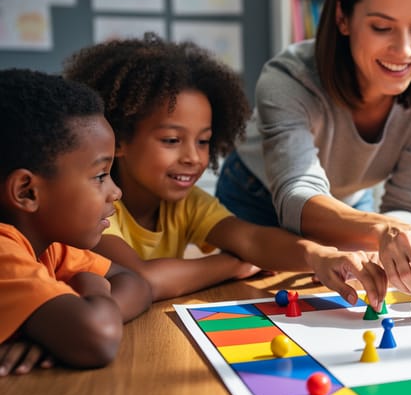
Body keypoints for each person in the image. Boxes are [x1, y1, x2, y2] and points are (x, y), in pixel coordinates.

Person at [215, 0, 411, 310]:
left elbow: (406, 205)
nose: (404, 49)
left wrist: (392, 237)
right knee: (243, 305)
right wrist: (384, 232)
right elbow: (296, 194)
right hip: (257, 197)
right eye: (381, 27)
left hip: (351, 205)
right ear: (342, 18)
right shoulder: (287, 77)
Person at [63, 34, 387, 306]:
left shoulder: (186, 205)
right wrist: (232, 264)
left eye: (203, 141)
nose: (193, 157)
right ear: (118, 140)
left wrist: (320, 256)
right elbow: (141, 279)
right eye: (172, 139)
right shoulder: (94, 208)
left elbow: (252, 238)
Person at [0, 69, 152, 376]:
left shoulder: (49, 246)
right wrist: (94, 288)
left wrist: (62, 331)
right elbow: (98, 338)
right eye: (100, 176)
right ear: (27, 191)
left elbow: (137, 284)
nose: (116, 192)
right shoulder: (4, 253)